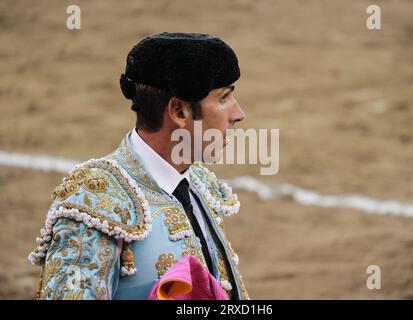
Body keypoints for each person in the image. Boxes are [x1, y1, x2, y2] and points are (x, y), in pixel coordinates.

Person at [29, 32, 249, 300]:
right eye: (224, 98)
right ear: (179, 111)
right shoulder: (95, 202)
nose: (238, 114)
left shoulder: (198, 184)